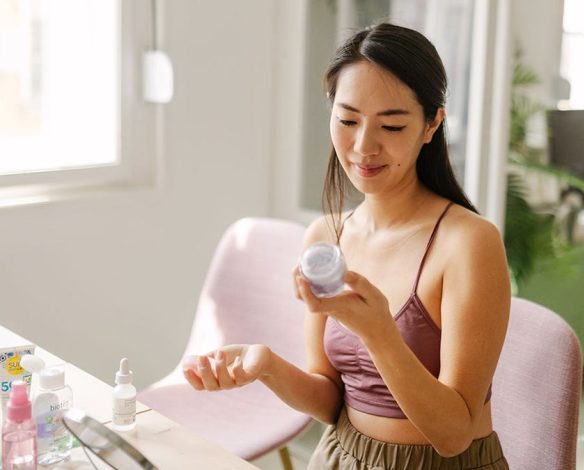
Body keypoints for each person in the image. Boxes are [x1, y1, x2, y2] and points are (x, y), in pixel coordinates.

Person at [183, 23, 511, 470]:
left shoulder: (468, 243)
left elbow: (454, 434)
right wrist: (265, 365)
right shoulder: (325, 237)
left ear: (432, 123)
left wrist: (380, 333)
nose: (363, 147)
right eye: (348, 119)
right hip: (341, 456)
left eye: (392, 125)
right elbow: (330, 400)